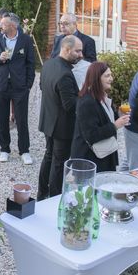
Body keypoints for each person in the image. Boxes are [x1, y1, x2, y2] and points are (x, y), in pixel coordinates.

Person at [37, 36, 83, 200]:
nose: (81, 54)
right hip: (62, 127)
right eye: (77, 51)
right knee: (59, 163)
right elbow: (70, 105)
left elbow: (43, 87)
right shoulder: (65, 74)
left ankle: (42, 193)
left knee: (49, 156)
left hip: (48, 120)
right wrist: (85, 96)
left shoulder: (48, 64)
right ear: (66, 49)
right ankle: (54, 197)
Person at [0, 14, 36, 165]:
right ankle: (4, 149)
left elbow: (31, 63)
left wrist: (28, 84)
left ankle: (24, 150)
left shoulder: (26, 40)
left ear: (13, 26)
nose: (0, 26)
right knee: (2, 118)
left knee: (22, 119)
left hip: (20, 86)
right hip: (2, 85)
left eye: (3, 24)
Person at [71, 61, 131, 172]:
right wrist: (115, 126)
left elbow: (103, 118)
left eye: (111, 75)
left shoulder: (101, 96)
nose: (111, 79)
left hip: (103, 155)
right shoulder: (87, 102)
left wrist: (118, 115)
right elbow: (91, 135)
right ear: (96, 78)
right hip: (89, 160)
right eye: (107, 76)